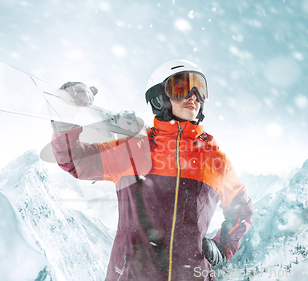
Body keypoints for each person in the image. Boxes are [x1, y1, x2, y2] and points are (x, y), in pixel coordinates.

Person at [51, 60, 253, 281]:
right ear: (159, 97)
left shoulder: (214, 160)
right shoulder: (134, 150)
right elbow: (74, 160)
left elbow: (241, 208)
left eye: (199, 89)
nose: (193, 96)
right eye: (181, 88)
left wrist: (223, 247)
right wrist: (66, 117)